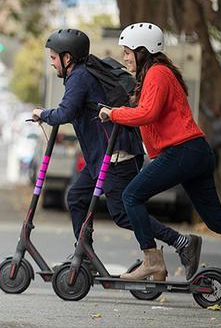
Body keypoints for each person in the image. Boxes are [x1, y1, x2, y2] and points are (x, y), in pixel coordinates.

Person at [100, 22, 221, 300]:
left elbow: (147, 113)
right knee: (217, 220)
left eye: (128, 51)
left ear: (143, 51)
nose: (125, 57)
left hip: (182, 152)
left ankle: (152, 260)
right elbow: (150, 116)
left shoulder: (158, 73)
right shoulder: (154, 76)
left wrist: (115, 114)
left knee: (130, 196)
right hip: (193, 153)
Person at [32, 28, 202, 278]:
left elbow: (65, 112)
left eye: (54, 57)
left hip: (116, 156)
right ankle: (85, 255)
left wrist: (42, 114)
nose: (52, 62)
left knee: (122, 213)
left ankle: (181, 242)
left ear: (68, 58)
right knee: (77, 197)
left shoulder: (80, 76)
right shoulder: (83, 71)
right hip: (100, 158)